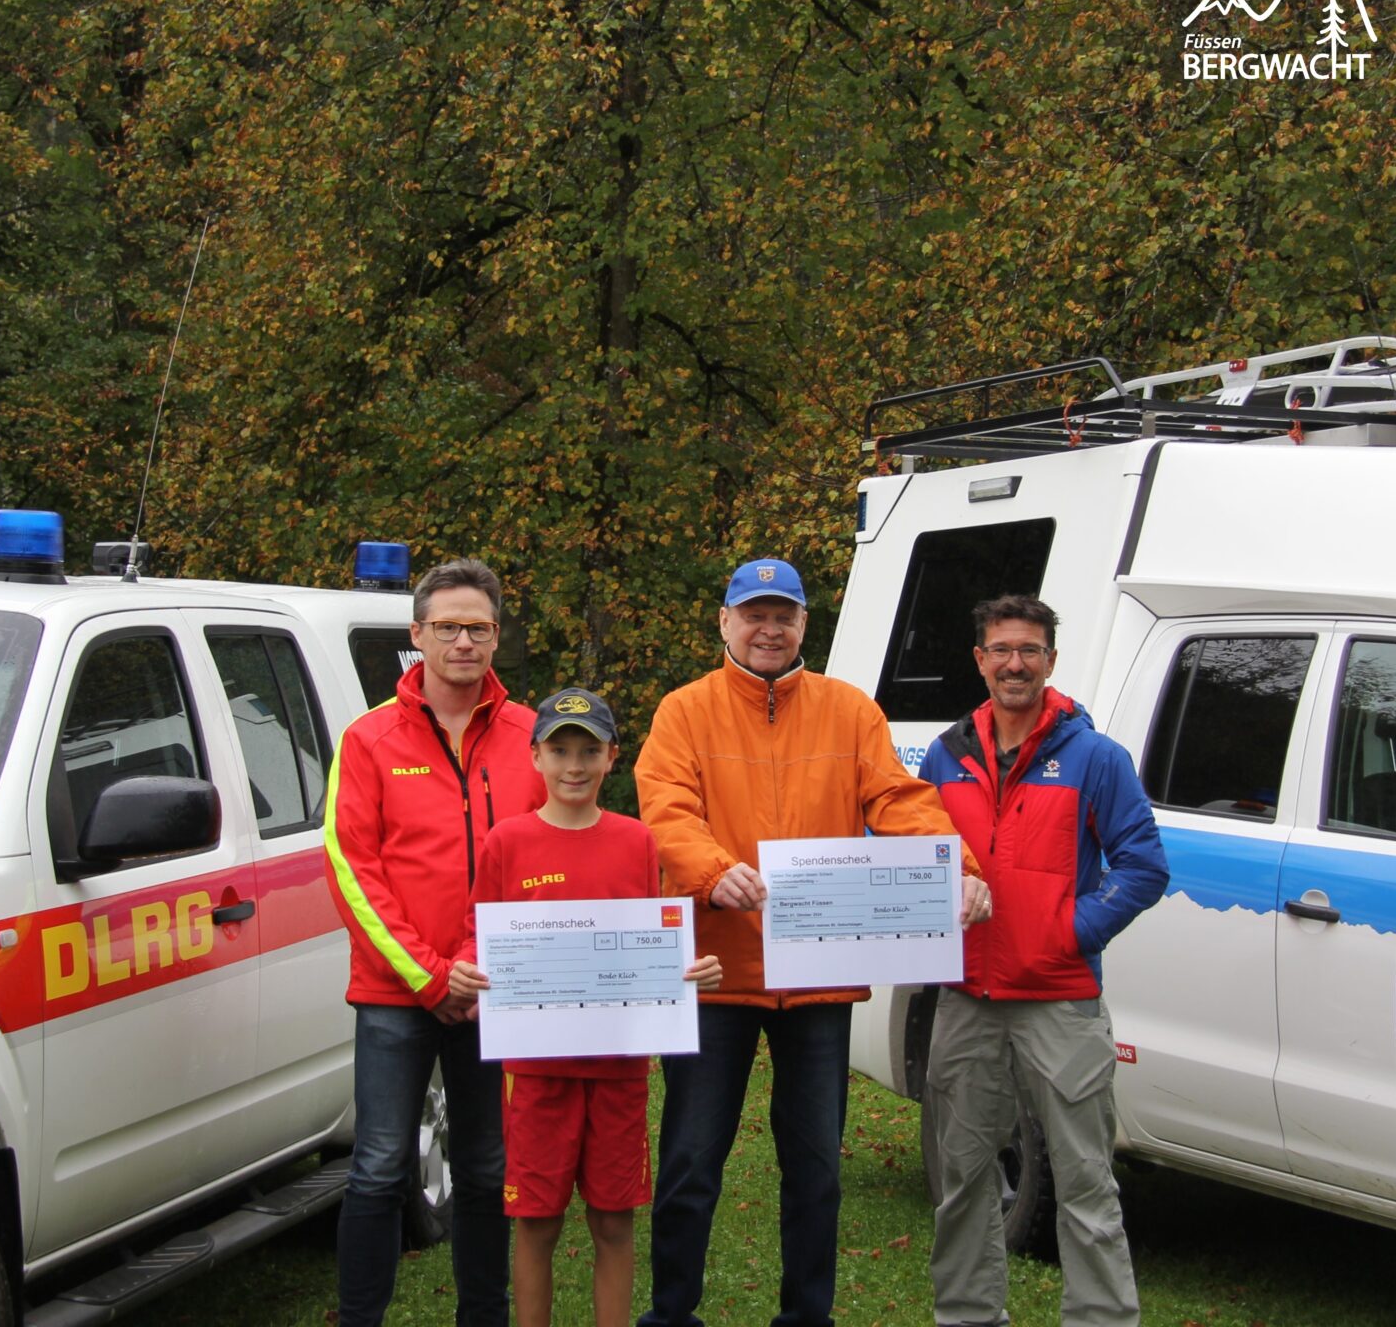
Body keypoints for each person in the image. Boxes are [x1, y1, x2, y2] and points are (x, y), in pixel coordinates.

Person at [634, 558, 991, 1327]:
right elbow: (664, 807)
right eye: (754, 614)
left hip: (820, 975)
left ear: (803, 626)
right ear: (725, 621)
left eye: (784, 616)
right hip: (719, 971)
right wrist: (710, 870)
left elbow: (900, 800)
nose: (769, 629)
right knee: (692, 1161)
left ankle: (807, 1317)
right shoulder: (683, 711)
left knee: (816, 1170)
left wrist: (956, 868)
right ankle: (671, 1315)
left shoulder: (850, 711)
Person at [920, 594, 1168, 1327]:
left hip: (1060, 999)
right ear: (980, 661)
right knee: (963, 1179)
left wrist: (1070, 931)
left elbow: (1143, 865)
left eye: (1029, 650)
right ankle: (967, 1316)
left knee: (1088, 1182)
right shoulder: (947, 755)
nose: (1015, 664)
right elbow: (911, 857)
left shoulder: (1094, 757)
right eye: (1001, 650)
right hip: (967, 999)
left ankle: (1100, 1318)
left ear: (1051, 661)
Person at [455, 687, 723, 1327]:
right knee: (537, 1222)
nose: (574, 765)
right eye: (560, 750)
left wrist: (686, 972)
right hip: (536, 1070)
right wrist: (471, 970)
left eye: (588, 751)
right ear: (536, 757)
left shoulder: (636, 842)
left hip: (618, 1068)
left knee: (612, 1218)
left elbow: (651, 941)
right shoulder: (506, 843)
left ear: (612, 758)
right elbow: (477, 930)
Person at [326, 557, 545, 1327]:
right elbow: (354, 868)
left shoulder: (533, 737)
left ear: (496, 637)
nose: (463, 641)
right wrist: (430, 973)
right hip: (396, 992)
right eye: (447, 627)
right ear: (416, 635)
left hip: (496, 988)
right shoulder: (368, 738)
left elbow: (553, 854)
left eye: (478, 628)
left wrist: (478, 969)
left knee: (487, 1169)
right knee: (379, 1168)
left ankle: (482, 1316)